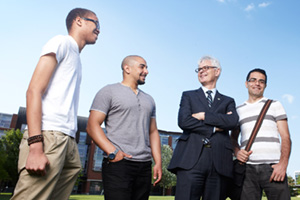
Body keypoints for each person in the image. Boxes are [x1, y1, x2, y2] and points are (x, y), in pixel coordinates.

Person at [11, 8, 100, 200]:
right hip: (48, 135)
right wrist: (35, 145)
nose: (99, 29)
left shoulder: (77, 57)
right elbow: (34, 90)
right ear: (78, 21)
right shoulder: (62, 42)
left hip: (67, 140)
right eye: (95, 23)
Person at [86, 55, 162, 200]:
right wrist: (113, 152)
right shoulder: (108, 91)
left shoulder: (149, 99)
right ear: (127, 68)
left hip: (144, 165)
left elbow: (153, 132)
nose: (146, 71)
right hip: (119, 164)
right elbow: (92, 125)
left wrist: (157, 162)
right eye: (142, 66)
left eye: (147, 68)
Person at [168, 56, 239, 200]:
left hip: (219, 163)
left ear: (217, 71)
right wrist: (215, 128)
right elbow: (184, 121)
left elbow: (232, 121)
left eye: (205, 68)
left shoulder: (228, 101)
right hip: (190, 160)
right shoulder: (188, 96)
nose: (201, 71)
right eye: (199, 69)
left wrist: (203, 116)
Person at [231, 68, 291, 200]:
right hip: (247, 170)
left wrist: (283, 164)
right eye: (253, 80)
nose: (257, 83)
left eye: (261, 81)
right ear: (246, 83)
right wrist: (237, 152)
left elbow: (286, 137)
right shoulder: (238, 110)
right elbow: (233, 138)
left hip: (273, 168)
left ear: (265, 85)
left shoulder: (275, 105)